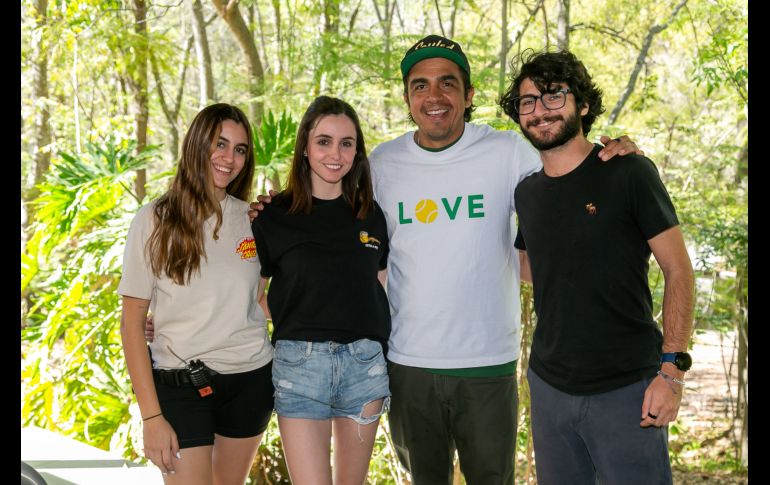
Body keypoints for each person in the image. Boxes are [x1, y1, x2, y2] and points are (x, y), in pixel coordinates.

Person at [250, 35, 640, 484]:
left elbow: (570, 171)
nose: (433, 96)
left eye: (447, 84)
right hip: (407, 362)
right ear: (407, 98)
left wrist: (616, 156)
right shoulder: (382, 163)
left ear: (468, 94)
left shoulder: (508, 151)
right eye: (420, 85)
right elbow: (330, 229)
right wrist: (270, 209)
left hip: (487, 363)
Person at [499, 50, 694, 484]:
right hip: (550, 388)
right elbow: (532, 266)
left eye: (553, 96)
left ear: (583, 104)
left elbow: (679, 271)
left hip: (628, 389)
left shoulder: (628, 173)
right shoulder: (527, 193)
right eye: (527, 102)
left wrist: (672, 373)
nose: (539, 111)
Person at [119, 103, 274, 484]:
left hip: (251, 379)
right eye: (220, 144)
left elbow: (259, 301)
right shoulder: (154, 220)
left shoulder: (254, 219)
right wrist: (152, 417)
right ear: (196, 145)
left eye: (240, 149)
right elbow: (131, 323)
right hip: (181, 382)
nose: (229, 158)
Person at [251, 96, 391, 484]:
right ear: (306, 148)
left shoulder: (370, 213)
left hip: (364, 365)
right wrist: (298, 314)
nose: (336, 153)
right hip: (300, 363)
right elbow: (251, 294)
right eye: (324, 141)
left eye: (347, 143)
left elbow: (376, 284)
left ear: (356, 152)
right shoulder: (273, 215)